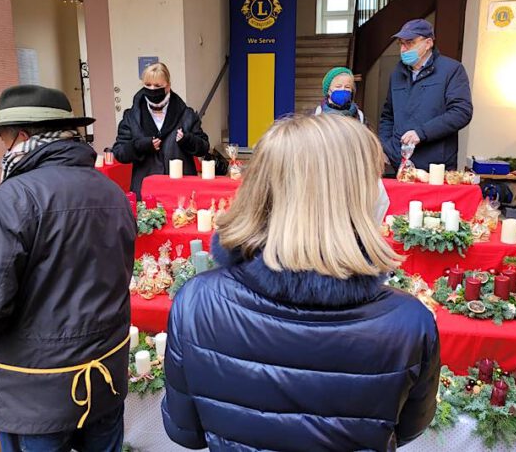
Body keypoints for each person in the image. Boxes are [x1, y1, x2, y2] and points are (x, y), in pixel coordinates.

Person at [161, 115, 440, 451]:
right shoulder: (409, 321)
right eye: (374, 178)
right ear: (356, 199)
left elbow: (185, 431)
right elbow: (409, 427)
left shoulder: (198, 302)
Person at [0, 85, 136, 452]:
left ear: (23, 137)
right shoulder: (111, 192)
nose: (5, 152)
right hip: (103, 381)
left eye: (4, 142)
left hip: (37, 394)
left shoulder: (14, 198)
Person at [379, 19, 473, 171]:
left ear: (428, 43)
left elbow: (461, 112)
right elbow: (388, 115)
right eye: (401, 43)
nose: (403, 49)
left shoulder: (452, 70)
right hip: (399, 164)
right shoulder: (397, 73)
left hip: (435, 166)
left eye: (409, 43)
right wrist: (385, 147)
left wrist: (421, 133)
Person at [112, 63, 210, 196]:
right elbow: (119, 152)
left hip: (179, 192)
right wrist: (140, 145)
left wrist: (187, 139)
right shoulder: (131, 116)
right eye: (148, 85)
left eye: (157, 86)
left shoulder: (187, 114)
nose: (152, 89)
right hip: (146, 191)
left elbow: (204, 147)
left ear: (168, 86)